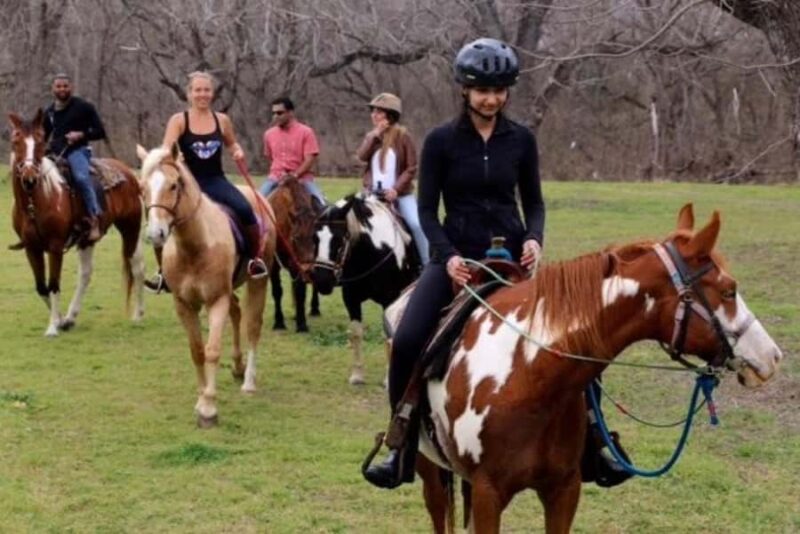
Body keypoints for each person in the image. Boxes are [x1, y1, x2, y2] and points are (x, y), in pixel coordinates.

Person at [363, 37, 545, 489]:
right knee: (406, 341)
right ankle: (401, 448)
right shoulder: (441, 140)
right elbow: (426, 211)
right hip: (456, 257)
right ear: (465, 89)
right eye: (483, 89)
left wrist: (536, 240)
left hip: (511, 261)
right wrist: (447, 258)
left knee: (569, 333)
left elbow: (535, 204)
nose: (492, 98)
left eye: (500, 89)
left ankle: (595, 444)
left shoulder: (522, 140)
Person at [144, 71, 267, 292]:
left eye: (207, 90)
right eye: (197, 90)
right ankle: (164, 273)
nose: (202, 94)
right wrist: (175, 157)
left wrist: (237, 151)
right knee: (161, 218)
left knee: (245, 209)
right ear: (189, 93)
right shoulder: (179, 120)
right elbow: (166, 150)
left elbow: (231, 144)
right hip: (186, 184)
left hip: (215, 180)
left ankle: (253, 260)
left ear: (212, 93)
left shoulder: (222, 120)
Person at [356, 93, 429, 265]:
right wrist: (374, 136)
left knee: (416, 224)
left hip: (400, 195)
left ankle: (427, 264)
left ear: (390, 115)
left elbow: (411, 167)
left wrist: (396, 189)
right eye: (373, 111)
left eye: (378, 112)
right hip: (372, 194)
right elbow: (361, 156)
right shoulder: (372, 136)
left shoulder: (403, 137)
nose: (373, 115)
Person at [43, 73, 107, 242]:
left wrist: (81, 134)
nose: (62, 89)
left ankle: (94, 218)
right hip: (55, 152)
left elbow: (100, 132)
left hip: (77, 150)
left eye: (65, 86)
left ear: (70, 87)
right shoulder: (49, 111)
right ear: (53, 89)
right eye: (58, 86)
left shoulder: (84, 107)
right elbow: (44, 135)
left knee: (80, 178)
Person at [259, 97, 326, 205]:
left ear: (290, 113)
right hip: (276, 178)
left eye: (279, 113)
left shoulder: (306, 132)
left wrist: (294, 175)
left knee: (321, 204)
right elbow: (270, 157)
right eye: (273, 113)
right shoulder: (268, 134)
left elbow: (309, 159)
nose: (275, 116)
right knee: (256, 204)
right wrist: (279, 173)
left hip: (302, 179)